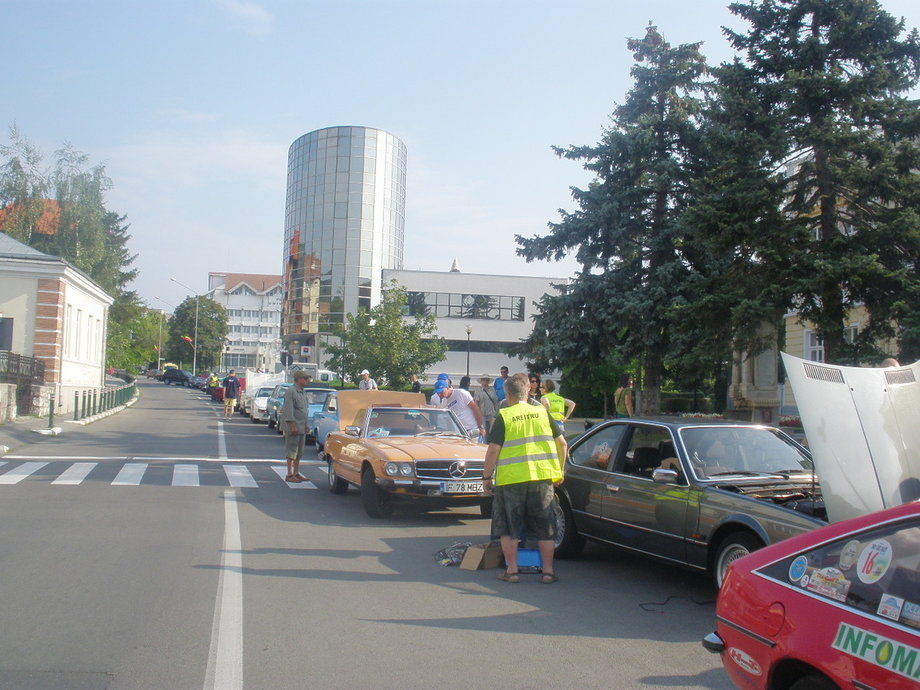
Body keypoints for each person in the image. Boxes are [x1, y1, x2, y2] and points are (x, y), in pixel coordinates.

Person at [483, 373, 567, 584]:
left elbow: (493, 449)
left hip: (511, 480)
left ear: (508, 395)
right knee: (545, 527)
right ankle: (548, 572)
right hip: (542, 477)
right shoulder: (542, 413)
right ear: (528, 392)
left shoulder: (506, 415)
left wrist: (486, 477)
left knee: (509, 528)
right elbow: (563, 444)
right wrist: (559, 471)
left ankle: (512, 572)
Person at [280, 370, 312, 482]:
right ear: (298, 379)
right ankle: (289, 474)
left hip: (302, 425)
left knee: (299, 451)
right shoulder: (291, 391)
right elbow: (289, 409)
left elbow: (304, 410)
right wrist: (292, 424)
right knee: (292, 450)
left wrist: (307, 424)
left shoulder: (303, 391)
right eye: (305, 378)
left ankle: (296, 473)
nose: (307, 380)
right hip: (294, 425)